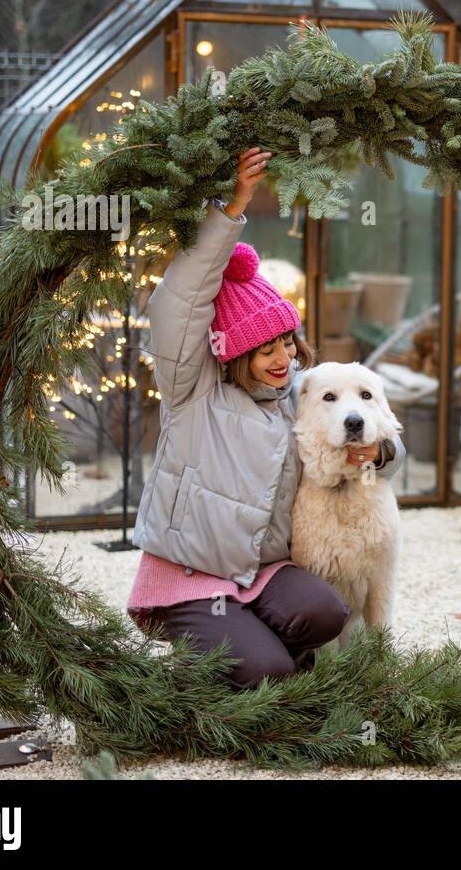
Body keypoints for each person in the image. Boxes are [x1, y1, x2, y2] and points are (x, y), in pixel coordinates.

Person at [126, 147, 406, 689]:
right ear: (233, 355)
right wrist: (230, 212)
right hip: (193, 580)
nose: (281, 359)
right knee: (271, 674)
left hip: (261, 576)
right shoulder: (192, 391)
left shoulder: (299, 397)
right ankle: (224, 648)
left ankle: (246, 635)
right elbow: (176, 306)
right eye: (263, 350)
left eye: (285, 342)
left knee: (327, 614)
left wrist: (381, 453)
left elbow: (369, 420)